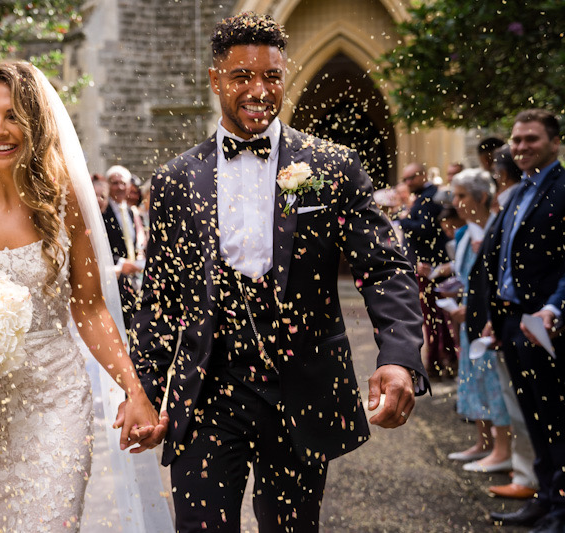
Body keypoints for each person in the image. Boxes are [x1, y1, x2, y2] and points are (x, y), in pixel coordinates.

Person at [127, 12, 428, 531]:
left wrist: (399, 356)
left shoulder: (334, 166)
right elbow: (161, 297)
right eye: (242, 76)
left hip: (300, 388)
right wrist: (144, 390)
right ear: (216, 79)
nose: (259, 89)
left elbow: (385, 268)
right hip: (208, 393)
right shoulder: (176, 179)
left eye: (271, 76)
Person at [0, 61, 166, 531]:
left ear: (37, 123)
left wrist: (133, 390)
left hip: (53, 400)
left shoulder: (66, 198)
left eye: (13, 115)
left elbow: (91, 309)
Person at [479, 109, 565, 532]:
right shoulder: (517, 193)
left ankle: (562, 512)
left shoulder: (563, 189)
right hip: (513, 323)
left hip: (548, 325)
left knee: (558, 421)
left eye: (531, 139)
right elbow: (505, 261)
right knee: (533, 417)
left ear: (555, 141)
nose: (521, 147)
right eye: (516, 140)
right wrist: (497, 315)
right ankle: (546, 500)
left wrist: (555, 307)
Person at [445, 169, 512, 473]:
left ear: (482, 197)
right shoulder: (465, 232)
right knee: (473, 379)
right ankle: (483, 442)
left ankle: (503, 449)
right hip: (468, 315)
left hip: (488, 318)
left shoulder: (497, 227)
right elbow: (466, 277)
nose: (456, 203)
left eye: (461, 196)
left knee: (494, 383)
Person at [481, 144, 538, 500]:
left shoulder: (522, 199)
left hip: (532, 319)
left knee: (531, 407)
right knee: (520, 404)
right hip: (507, 318)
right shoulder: (515, 200)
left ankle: (534, 481)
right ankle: (534, 481)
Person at [399, 162, 458, 379]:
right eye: (405, 179)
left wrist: (404, 221)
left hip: (431, 267)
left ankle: (436, 363)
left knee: (433, 318)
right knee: (435, 317)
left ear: (422, 174)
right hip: (426, 265)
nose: (407, 183)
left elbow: (425, 229)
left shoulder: (432, 197)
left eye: (410, 178)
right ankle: (444, 361)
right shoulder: (425, 195)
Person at [102, 164, 143, 327]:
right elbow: (100, 247)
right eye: (114, 182)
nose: (119, 187)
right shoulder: (102, 212)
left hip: (132, 280)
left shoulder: (132, 212)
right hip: (112, 278)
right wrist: (120, 263)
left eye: (123, 183)